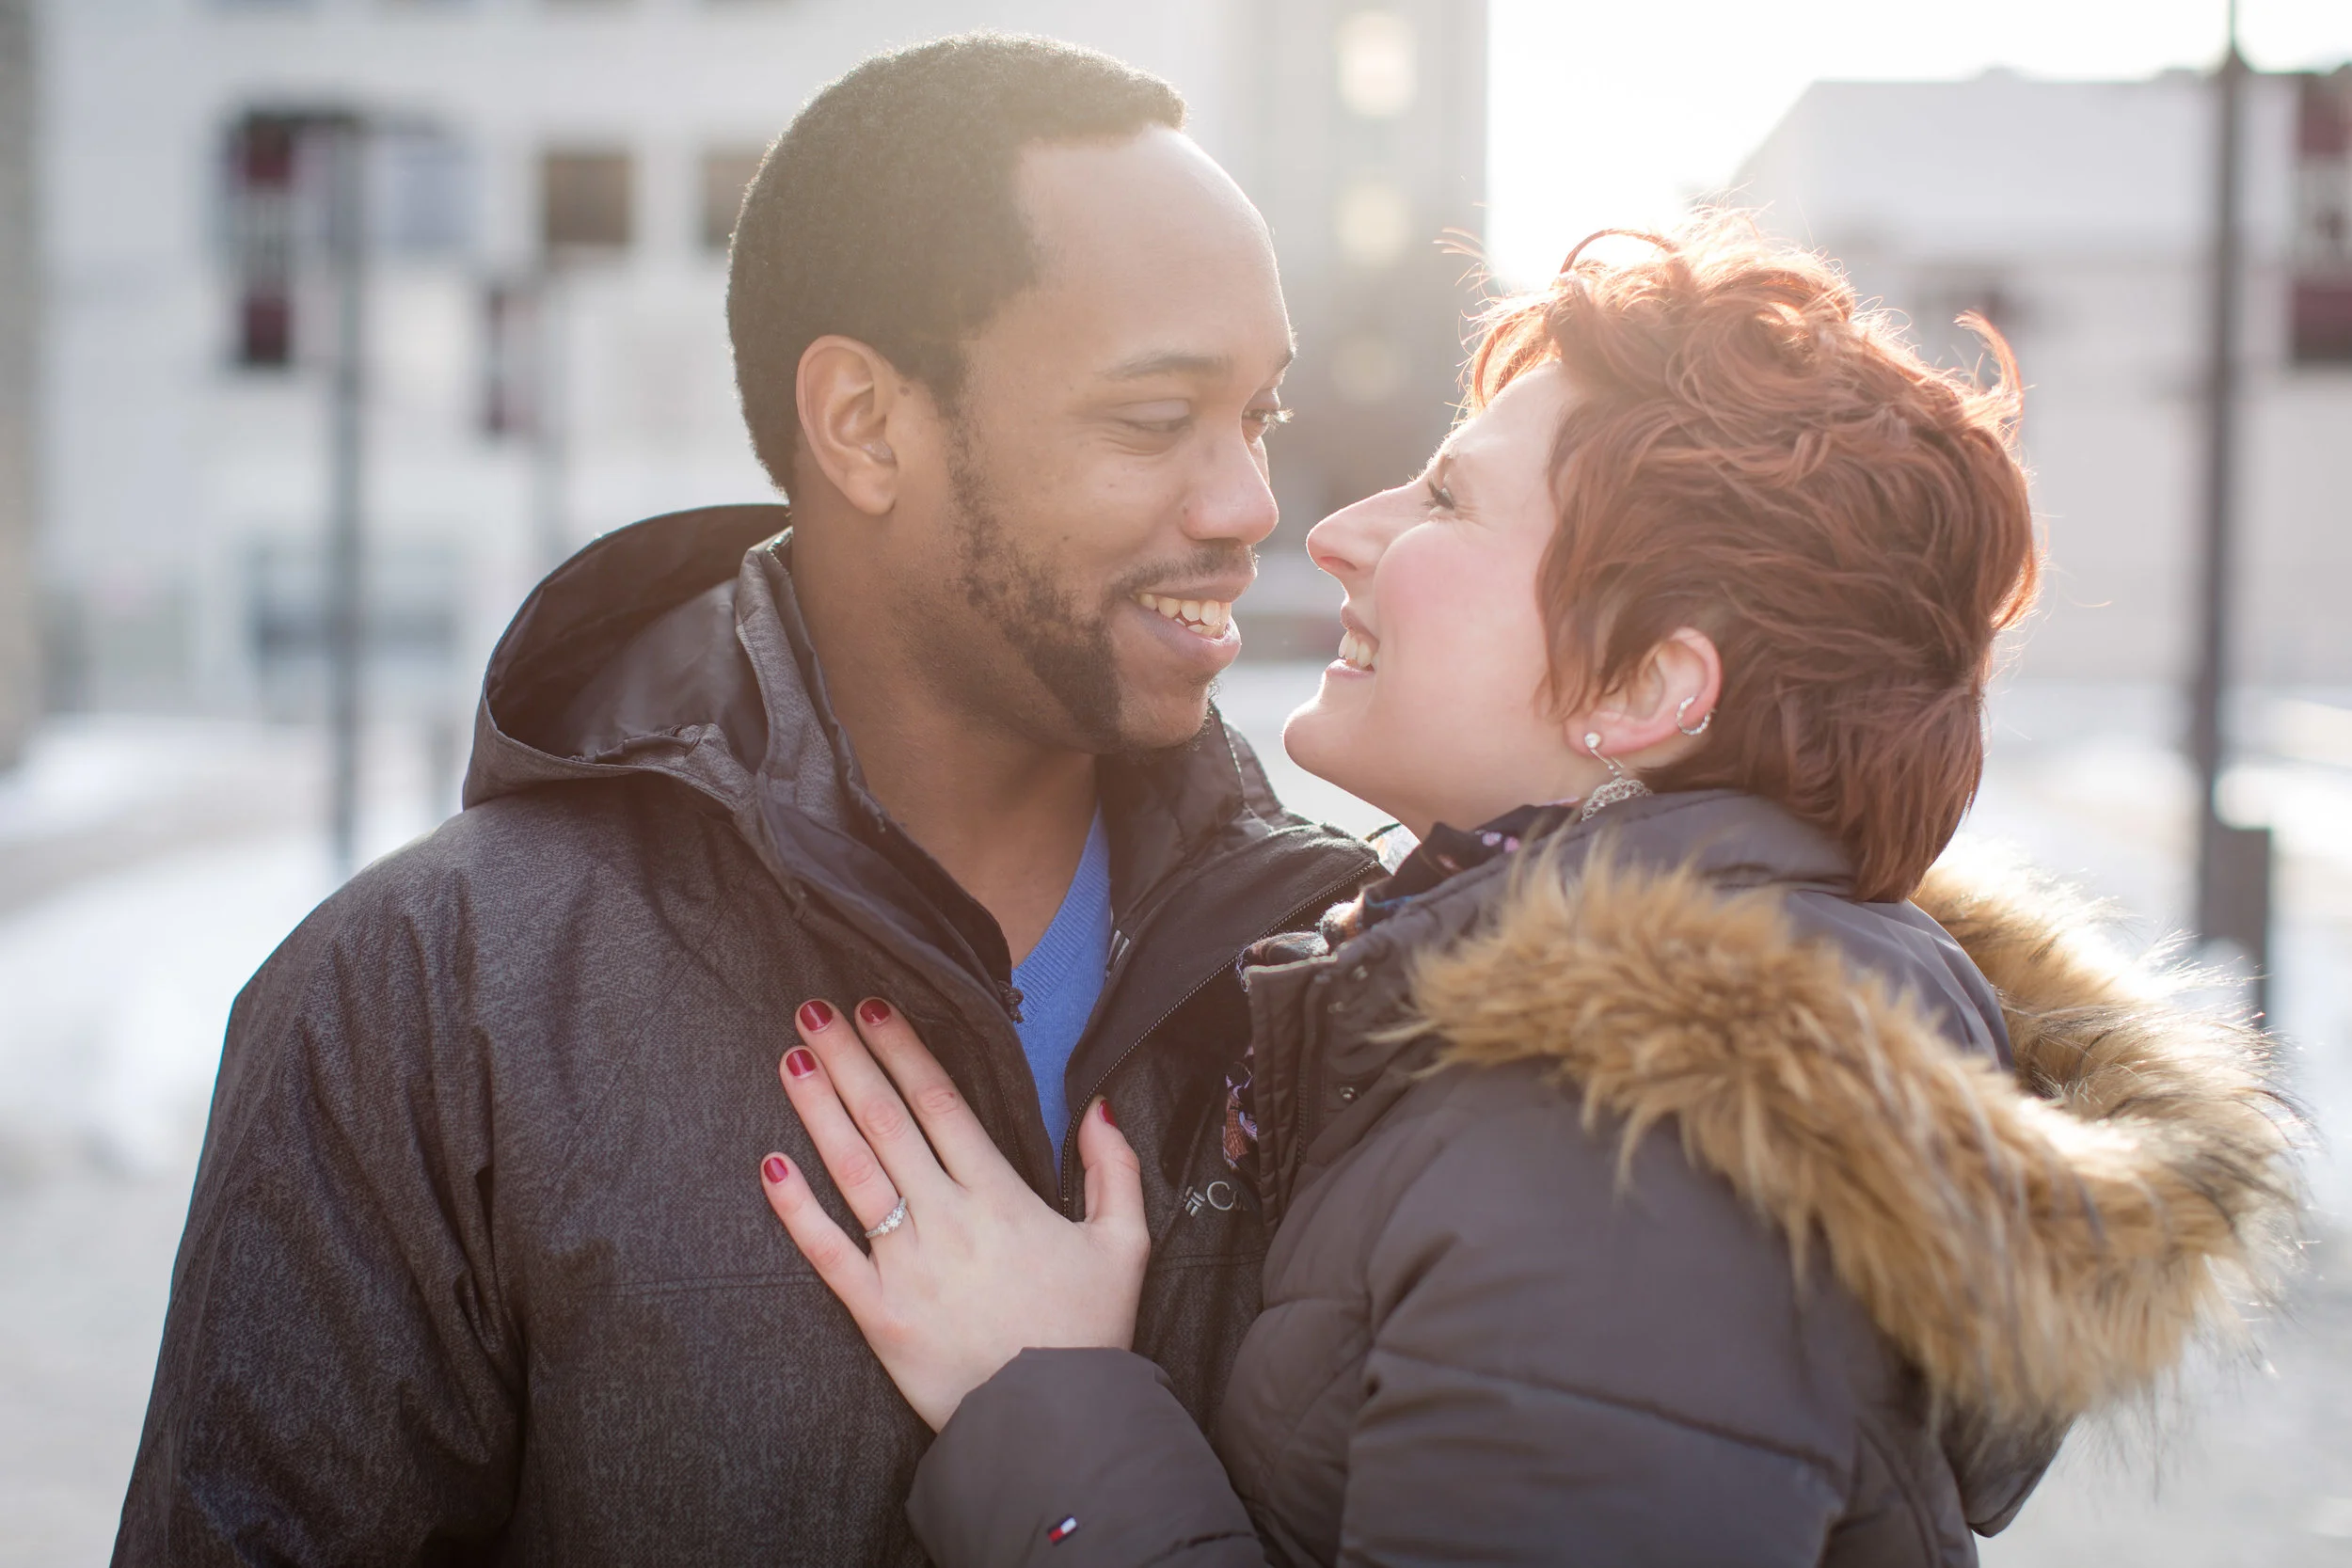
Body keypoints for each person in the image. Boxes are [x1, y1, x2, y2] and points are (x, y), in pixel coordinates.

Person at [756, 219, 2305, 1564]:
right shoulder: (1583, 1075)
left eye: (1446, 503)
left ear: (1645, 687)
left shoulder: (1643, 1159)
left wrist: (1046, 1401)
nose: (1336, 534)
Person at [114, 35, 1377, 1565]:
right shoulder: (426, 1001)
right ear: (864, 423)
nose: (1249, 503)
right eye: (1153, 418)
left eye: (1259, 418)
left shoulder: (1339, 981)